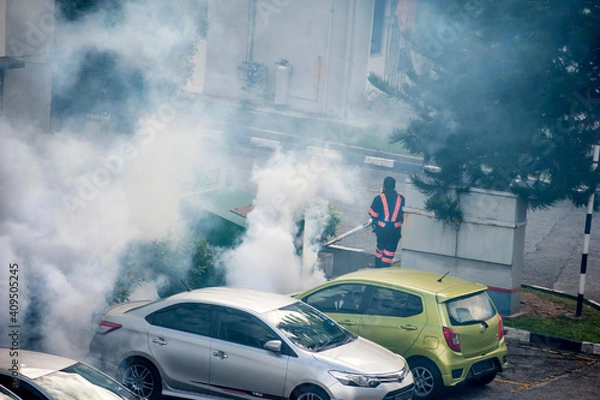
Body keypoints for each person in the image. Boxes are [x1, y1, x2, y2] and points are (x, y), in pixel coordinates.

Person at [368, 176, 405, 268]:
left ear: (384, 186)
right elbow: (403, 215)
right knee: (389, 253)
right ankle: (384, 269)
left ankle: (377, 268)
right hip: (395, 231)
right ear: (394, 186)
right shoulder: (401, 198)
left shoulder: (379, 198)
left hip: (382, 230)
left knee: (379, 250)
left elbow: (373, 214)